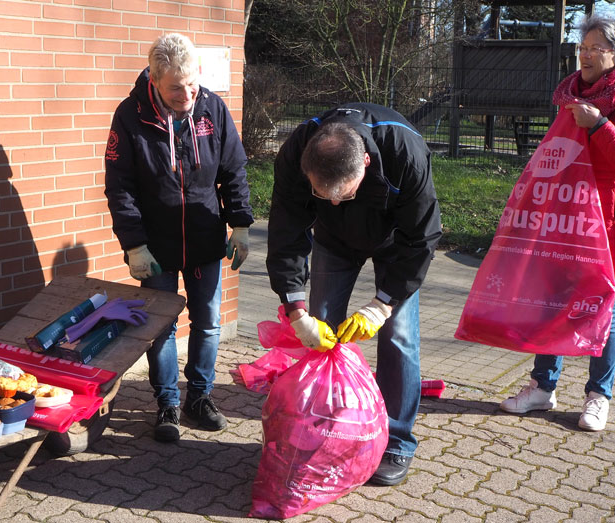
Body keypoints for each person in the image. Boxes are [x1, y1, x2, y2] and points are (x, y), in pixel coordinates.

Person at [500, 16, 615, 431]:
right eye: (582, 47)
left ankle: (598, 396)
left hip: (612, 227)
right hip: (567, 219)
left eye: (595, 48)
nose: (584, 54)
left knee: (605, 315)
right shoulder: (572, 93)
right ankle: (542, 387)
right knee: (549, 302)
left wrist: (601, 125)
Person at [266, 103, 442, 485]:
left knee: (399, 336)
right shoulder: (297, 152)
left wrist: (383, 302)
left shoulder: (404, 151)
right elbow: (286, 232)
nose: (332, 202)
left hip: (397, 243)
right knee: (321, 327)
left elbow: (423, 237)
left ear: (364, 162)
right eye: (321, 194)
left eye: (343, 195)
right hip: (333, 241)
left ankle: (397, 441)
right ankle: (323, 428)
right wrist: (295, 308)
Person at [104, 33, 253, 442]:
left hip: (205, 238)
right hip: (156, 246)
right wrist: (134, 245)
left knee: (207, 324)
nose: (186, 93)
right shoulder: (130, 116)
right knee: (162, 327)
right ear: (153, 79)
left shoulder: (212, 108)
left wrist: (239, 224)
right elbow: (120, 188)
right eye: (175, 87)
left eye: (192, 83)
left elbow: (233, 170)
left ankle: (199, 397)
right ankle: (167, 403)